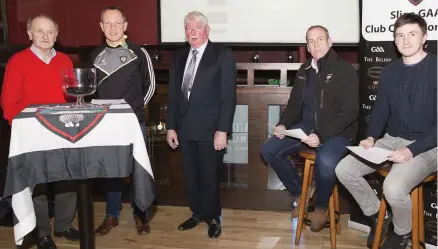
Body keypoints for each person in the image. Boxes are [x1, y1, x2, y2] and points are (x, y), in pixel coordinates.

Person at [335, 13, 437, 249]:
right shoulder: (390, 72)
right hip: (391, 139)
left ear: (425, 37)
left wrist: (412, 150)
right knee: (344, 169)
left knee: (393, 188)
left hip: (429, 144)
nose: (406, 40)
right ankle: (378, 216)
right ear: (394, 40)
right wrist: (371, 137)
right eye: (400, 35)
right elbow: (380, 110)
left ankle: (403, 232)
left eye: (412, 34)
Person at [260, 25, 359, 232]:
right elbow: (294, 104)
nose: (315, 44)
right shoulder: (304, 70)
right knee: (268, 150)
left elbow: (350, 112)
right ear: (307, 46)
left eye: (320, 39)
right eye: (311, 41)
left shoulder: (344, 70)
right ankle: (301, 195)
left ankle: (321, 207)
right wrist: (283, 124)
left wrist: (321, 135)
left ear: (330, 42)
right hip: (306, 127)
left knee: (326, 159)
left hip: (338, 131)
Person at [1, 14, 79, 249]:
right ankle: (42, 233)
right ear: (29, 34)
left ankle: (64, 225)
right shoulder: (18, 61)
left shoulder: (65, 60)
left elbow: (72, 97)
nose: (45, 36)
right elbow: (8, 104)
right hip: (32, 135)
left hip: (63, 131)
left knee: (68, 179)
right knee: (38, 187)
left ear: (56, 35)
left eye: (50, 32)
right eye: (39, 31)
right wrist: (25, 129)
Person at [165, 11, 236, 239]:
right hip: (184, 128)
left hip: (211, 129)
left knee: (209, 175)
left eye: (197, 27)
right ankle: (196, 213)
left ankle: (213, 217)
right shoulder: (178, 56)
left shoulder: (222, 55)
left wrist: (222, 130)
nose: (192, 32)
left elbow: (228, 96)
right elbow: (174, 95)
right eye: (188, 28)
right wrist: (170, 126)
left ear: (207, 30)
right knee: (191, 175)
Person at [91, 6, 156, 236]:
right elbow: (90, 93)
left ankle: (141, 214)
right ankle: (112, 215)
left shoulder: (139, 52)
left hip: (133, 122)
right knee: (111, 170)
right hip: (106, 125)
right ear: (101, 27)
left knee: (138, 169)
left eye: (117, 23)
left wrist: (134, 111)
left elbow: (151, 87)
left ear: (125, 26)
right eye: (107, 23)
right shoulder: (94, 55)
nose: (113, 27)